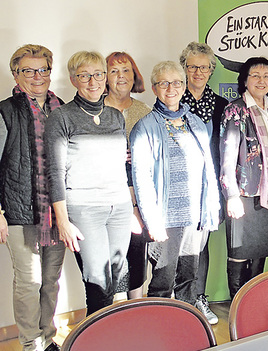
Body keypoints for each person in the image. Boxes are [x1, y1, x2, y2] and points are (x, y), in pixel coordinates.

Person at [45, 51, 132, 316]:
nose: (92, 81)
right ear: (73, 80)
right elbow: (55, 172)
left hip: (119, 207)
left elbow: (122, 165)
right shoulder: (61, 118)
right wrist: (62, 221)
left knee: (117, 275)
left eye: (98, 74)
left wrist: (133, 207)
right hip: (84, 208)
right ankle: (95, 338)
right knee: (97, 280)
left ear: (105, 77)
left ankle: (108, 331)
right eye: (84, 76)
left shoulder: (116, 116)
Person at [130, 61, 220, 306]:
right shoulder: (144, 128)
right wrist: (153, 221)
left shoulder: (196, 123)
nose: (171, 88)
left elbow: (207, 170)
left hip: (194, 217)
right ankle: (159, 336)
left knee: (189, 278)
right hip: (165, 219)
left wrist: (209, 209)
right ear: (154, 88)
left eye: (177, 82)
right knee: (163, 281)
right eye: (164, 83)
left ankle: (187, 330)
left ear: (184, 86)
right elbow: (141, 179)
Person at [0, 44, 64, 351]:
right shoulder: (5, 111)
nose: (37, 76)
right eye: (28, 70)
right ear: (15, 74)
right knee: (29, 282)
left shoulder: (61, 109)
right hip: (18, 210)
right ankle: (31, 343)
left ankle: (47, 337)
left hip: (57, 213)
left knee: (50, 282)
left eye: (43, 69)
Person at [220, 57, 268, 299]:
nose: (262, 81)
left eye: (266, 76)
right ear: (245, 80)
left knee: (261, 250)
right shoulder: (235, 110)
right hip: (244, 193)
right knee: (239, 251)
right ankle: (238, 306)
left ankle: (254, 302)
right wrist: (231, 195)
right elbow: (227, 155)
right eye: (256, 75)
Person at [179, 42, 228, 324]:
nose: (198, 72)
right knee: (176, 246)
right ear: (184, 68)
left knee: (201, 244)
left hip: (207, 187)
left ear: (211, 71)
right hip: (178, 187)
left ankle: (199, 298)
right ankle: (180, 301)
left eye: (204, 67)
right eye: (192, 66)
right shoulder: (172, 100)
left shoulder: (221, 106)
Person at [104, 51, 151, 301]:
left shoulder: (144, 110)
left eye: (126, 71)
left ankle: (137, 307)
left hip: (138, 198)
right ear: (105, 77)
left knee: (136, 251)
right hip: (106, 198)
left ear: (135, 76)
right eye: (114, 71)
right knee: (112, 256)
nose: (121, 76)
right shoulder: (95, 109)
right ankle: (116, 310)